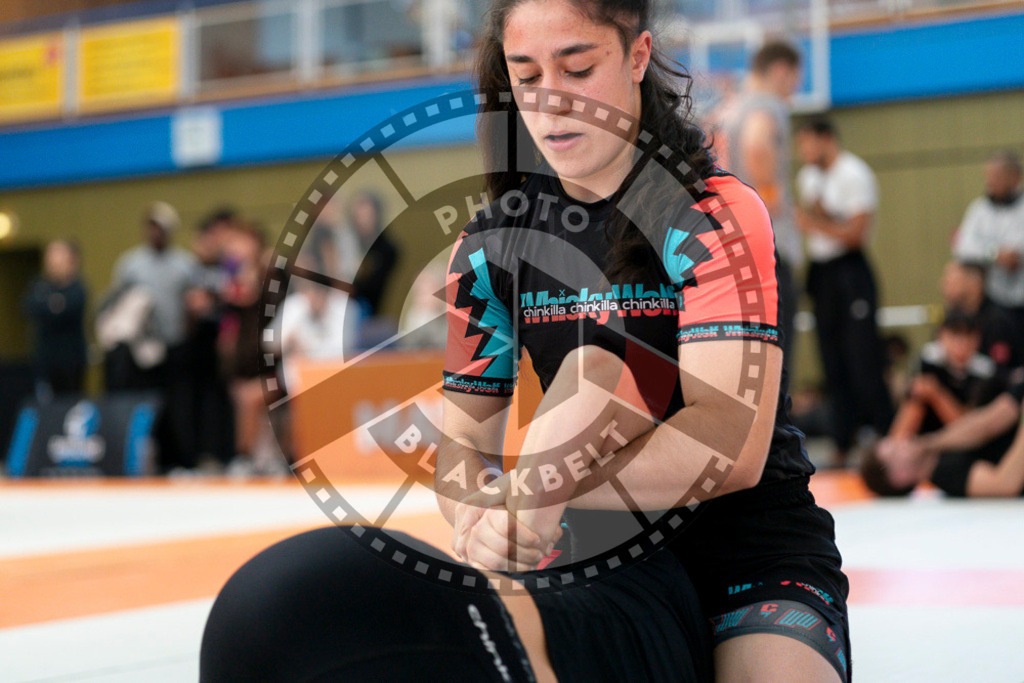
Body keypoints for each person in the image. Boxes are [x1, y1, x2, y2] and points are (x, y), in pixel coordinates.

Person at [201, 2, 849, 681]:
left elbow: (731, 444)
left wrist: (546, 482)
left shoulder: (711, 211)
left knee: (597, 372)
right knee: (587, 383)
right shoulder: (488, 247)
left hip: (748, 547)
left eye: (578, 68)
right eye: (528, 76)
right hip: (603, 553)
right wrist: (478, 510)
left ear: (637, 57)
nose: (552, 102)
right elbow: (463, 442)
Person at [796, 118, 893, 466]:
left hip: (851, 271)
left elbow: (855, 234)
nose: (803, 152)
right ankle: (842, 441)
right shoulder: (807, 177)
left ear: (826, 139)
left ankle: (885, 436)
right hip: (822, 274)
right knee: (831, 360)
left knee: (862, 359)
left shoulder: (854, 173)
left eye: (807, 143)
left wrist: (814, 223)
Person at [709, 39, 803, 375]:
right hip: (764, 245)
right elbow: (757, 143)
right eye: (794, 81)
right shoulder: (766, 105)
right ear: (780, 71)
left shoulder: (727, 107)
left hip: (728, 243)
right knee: (776, 357)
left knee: (746, 359)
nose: (793, 90)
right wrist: (769, 201)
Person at [108, 201, 203, 472]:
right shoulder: (131, 264)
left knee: (179, 406)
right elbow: (117, 303)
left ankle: (181, 460)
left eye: (160, 228)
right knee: (145, 404)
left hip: (176, 346)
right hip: (144, 350)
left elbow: (195, 302)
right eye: (151, 227)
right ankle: (143, 459)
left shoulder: (184, 264)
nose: (155, 233)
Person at [864, 369, 1024, 498]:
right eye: (895, 451)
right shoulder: (946, 473)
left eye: (895, 441)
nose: (902, 441)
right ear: (899, 477)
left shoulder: (937, 447)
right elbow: (1004, 484)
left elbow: (987, 423)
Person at [884, 309, 1005, 442]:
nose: (961, 343)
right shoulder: (928, 362)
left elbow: (971, 425)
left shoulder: (985, 373)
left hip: (963, 440)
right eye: (955, 335)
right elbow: (915, 394)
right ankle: (893, 446)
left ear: (977, 339)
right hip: (925, 435)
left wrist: (936, 394)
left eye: (967, 335)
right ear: (941, 336)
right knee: (916, 400)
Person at [952, 150, 1024, 337]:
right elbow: (962, 247)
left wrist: (1015, 255)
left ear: (1015, 177)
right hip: (992, 299)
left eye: (996, 176)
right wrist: (995, 254)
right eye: (988, 176)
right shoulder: (979, 210)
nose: (989, 181)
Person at [22, 239, 88, 398]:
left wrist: (50, 306)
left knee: (71, 402)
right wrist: (54, 305)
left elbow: (67, 309)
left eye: (59, 256)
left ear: (71, 260)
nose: (53, 261)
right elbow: (29, 307)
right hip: (44, 360)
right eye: (50, 256)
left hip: (72, 361)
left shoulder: (78, 288)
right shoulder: (38, 286)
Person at [940, 259, 1023, 370]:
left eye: (950, 281)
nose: (943, 286)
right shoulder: (952, 316)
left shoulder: (997, 322)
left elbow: (1003, 370)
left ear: (973, 283)